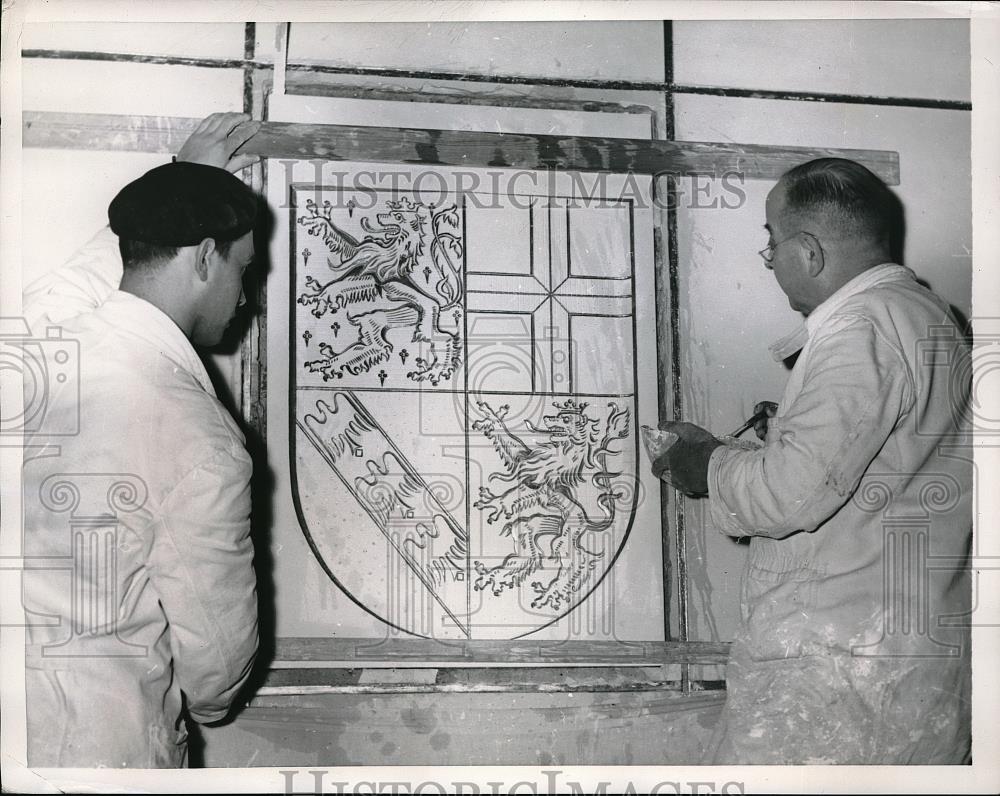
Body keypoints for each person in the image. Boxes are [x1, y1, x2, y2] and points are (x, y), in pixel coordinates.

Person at [654, 158, 972, 764]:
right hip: (907, 665)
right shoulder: (933, 319)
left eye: (771, 243)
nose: (770, 259)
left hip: (838, 677)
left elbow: (789, 493)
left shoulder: (861, 328)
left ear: (808, 251)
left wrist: (707, 463)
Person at [21, 113, 264, 767]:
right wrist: (215, 705)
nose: (246, 300)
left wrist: (187, 182)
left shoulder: (45, 341)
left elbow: (77, 280)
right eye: (245, 269)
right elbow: (214, 672)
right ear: (208, 256)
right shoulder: (197, 433)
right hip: (103, 751)